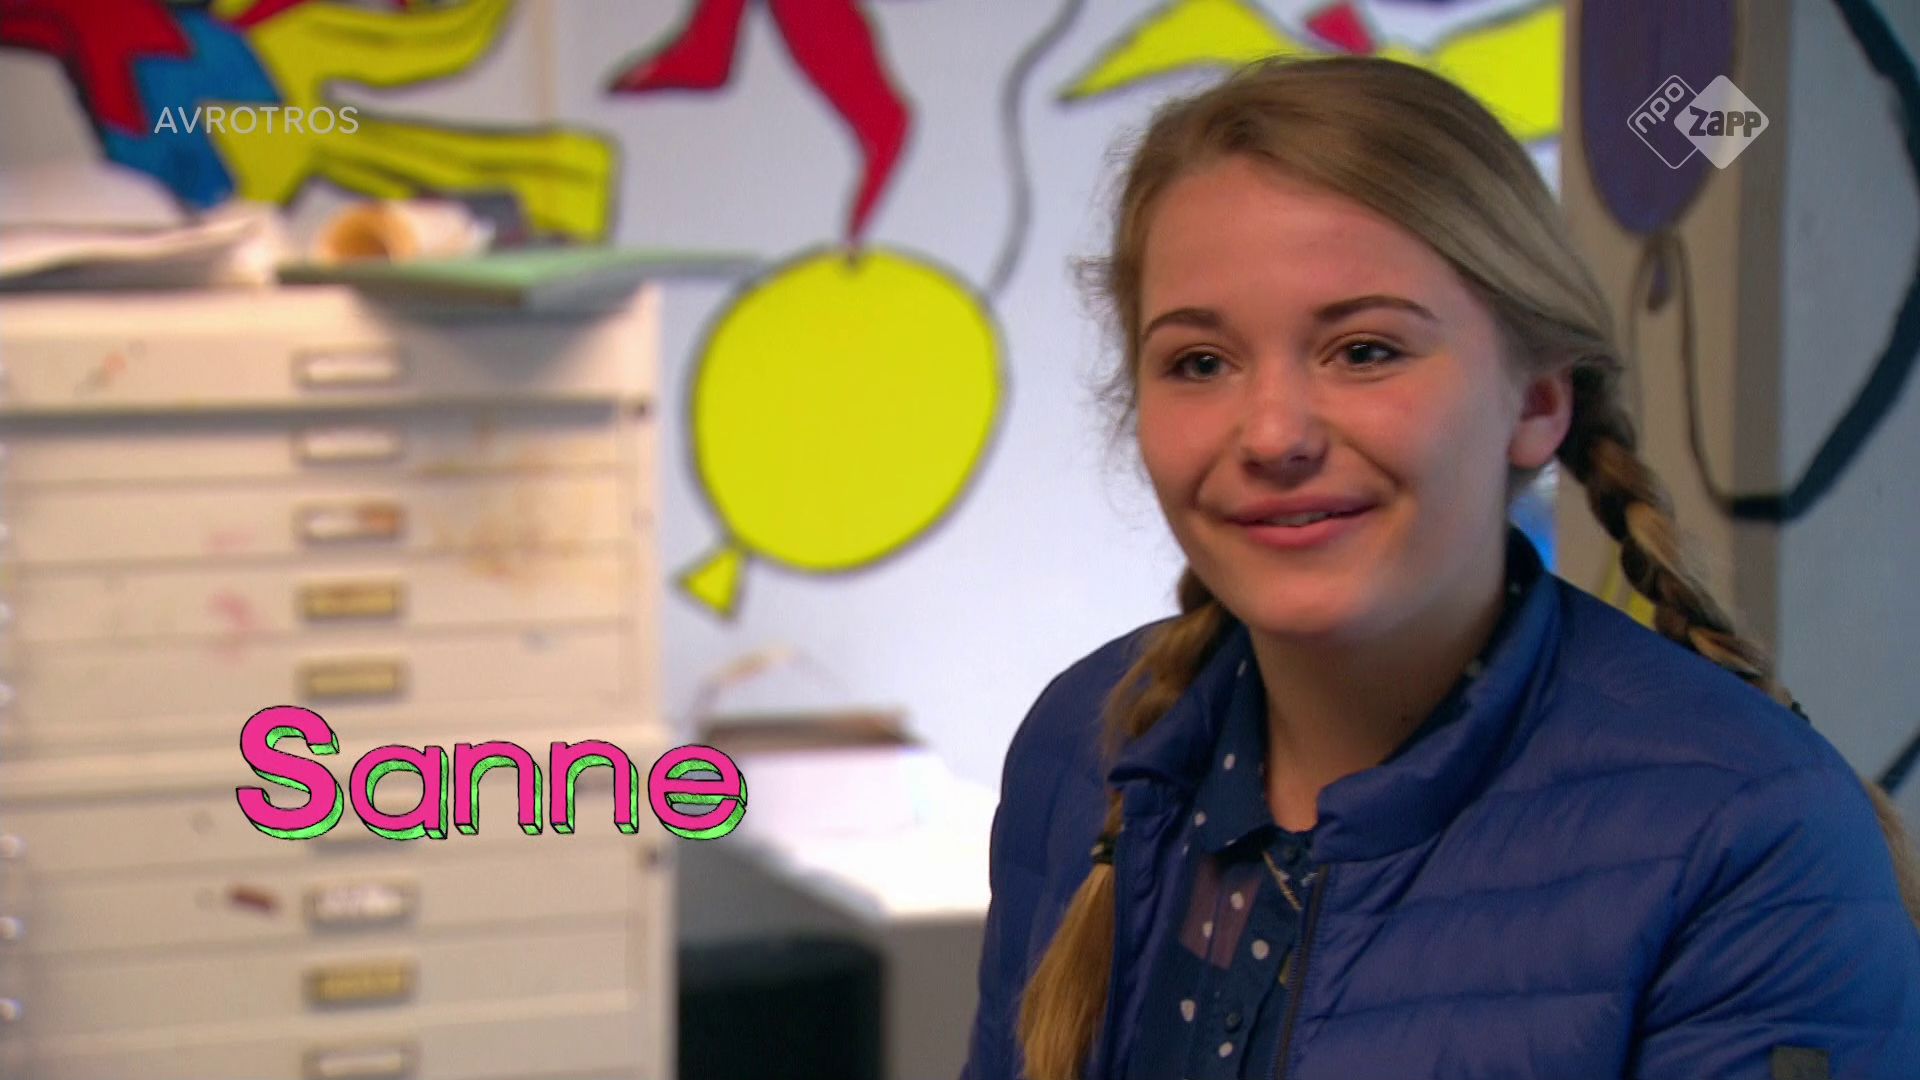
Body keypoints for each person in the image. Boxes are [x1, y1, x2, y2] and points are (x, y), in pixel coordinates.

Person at [962, 55, 1920, 1080]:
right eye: (1201, 362)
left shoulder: (1752, 837)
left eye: (1365, 350)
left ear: (1538, 400)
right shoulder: (1083, 743)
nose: (1273, 433)